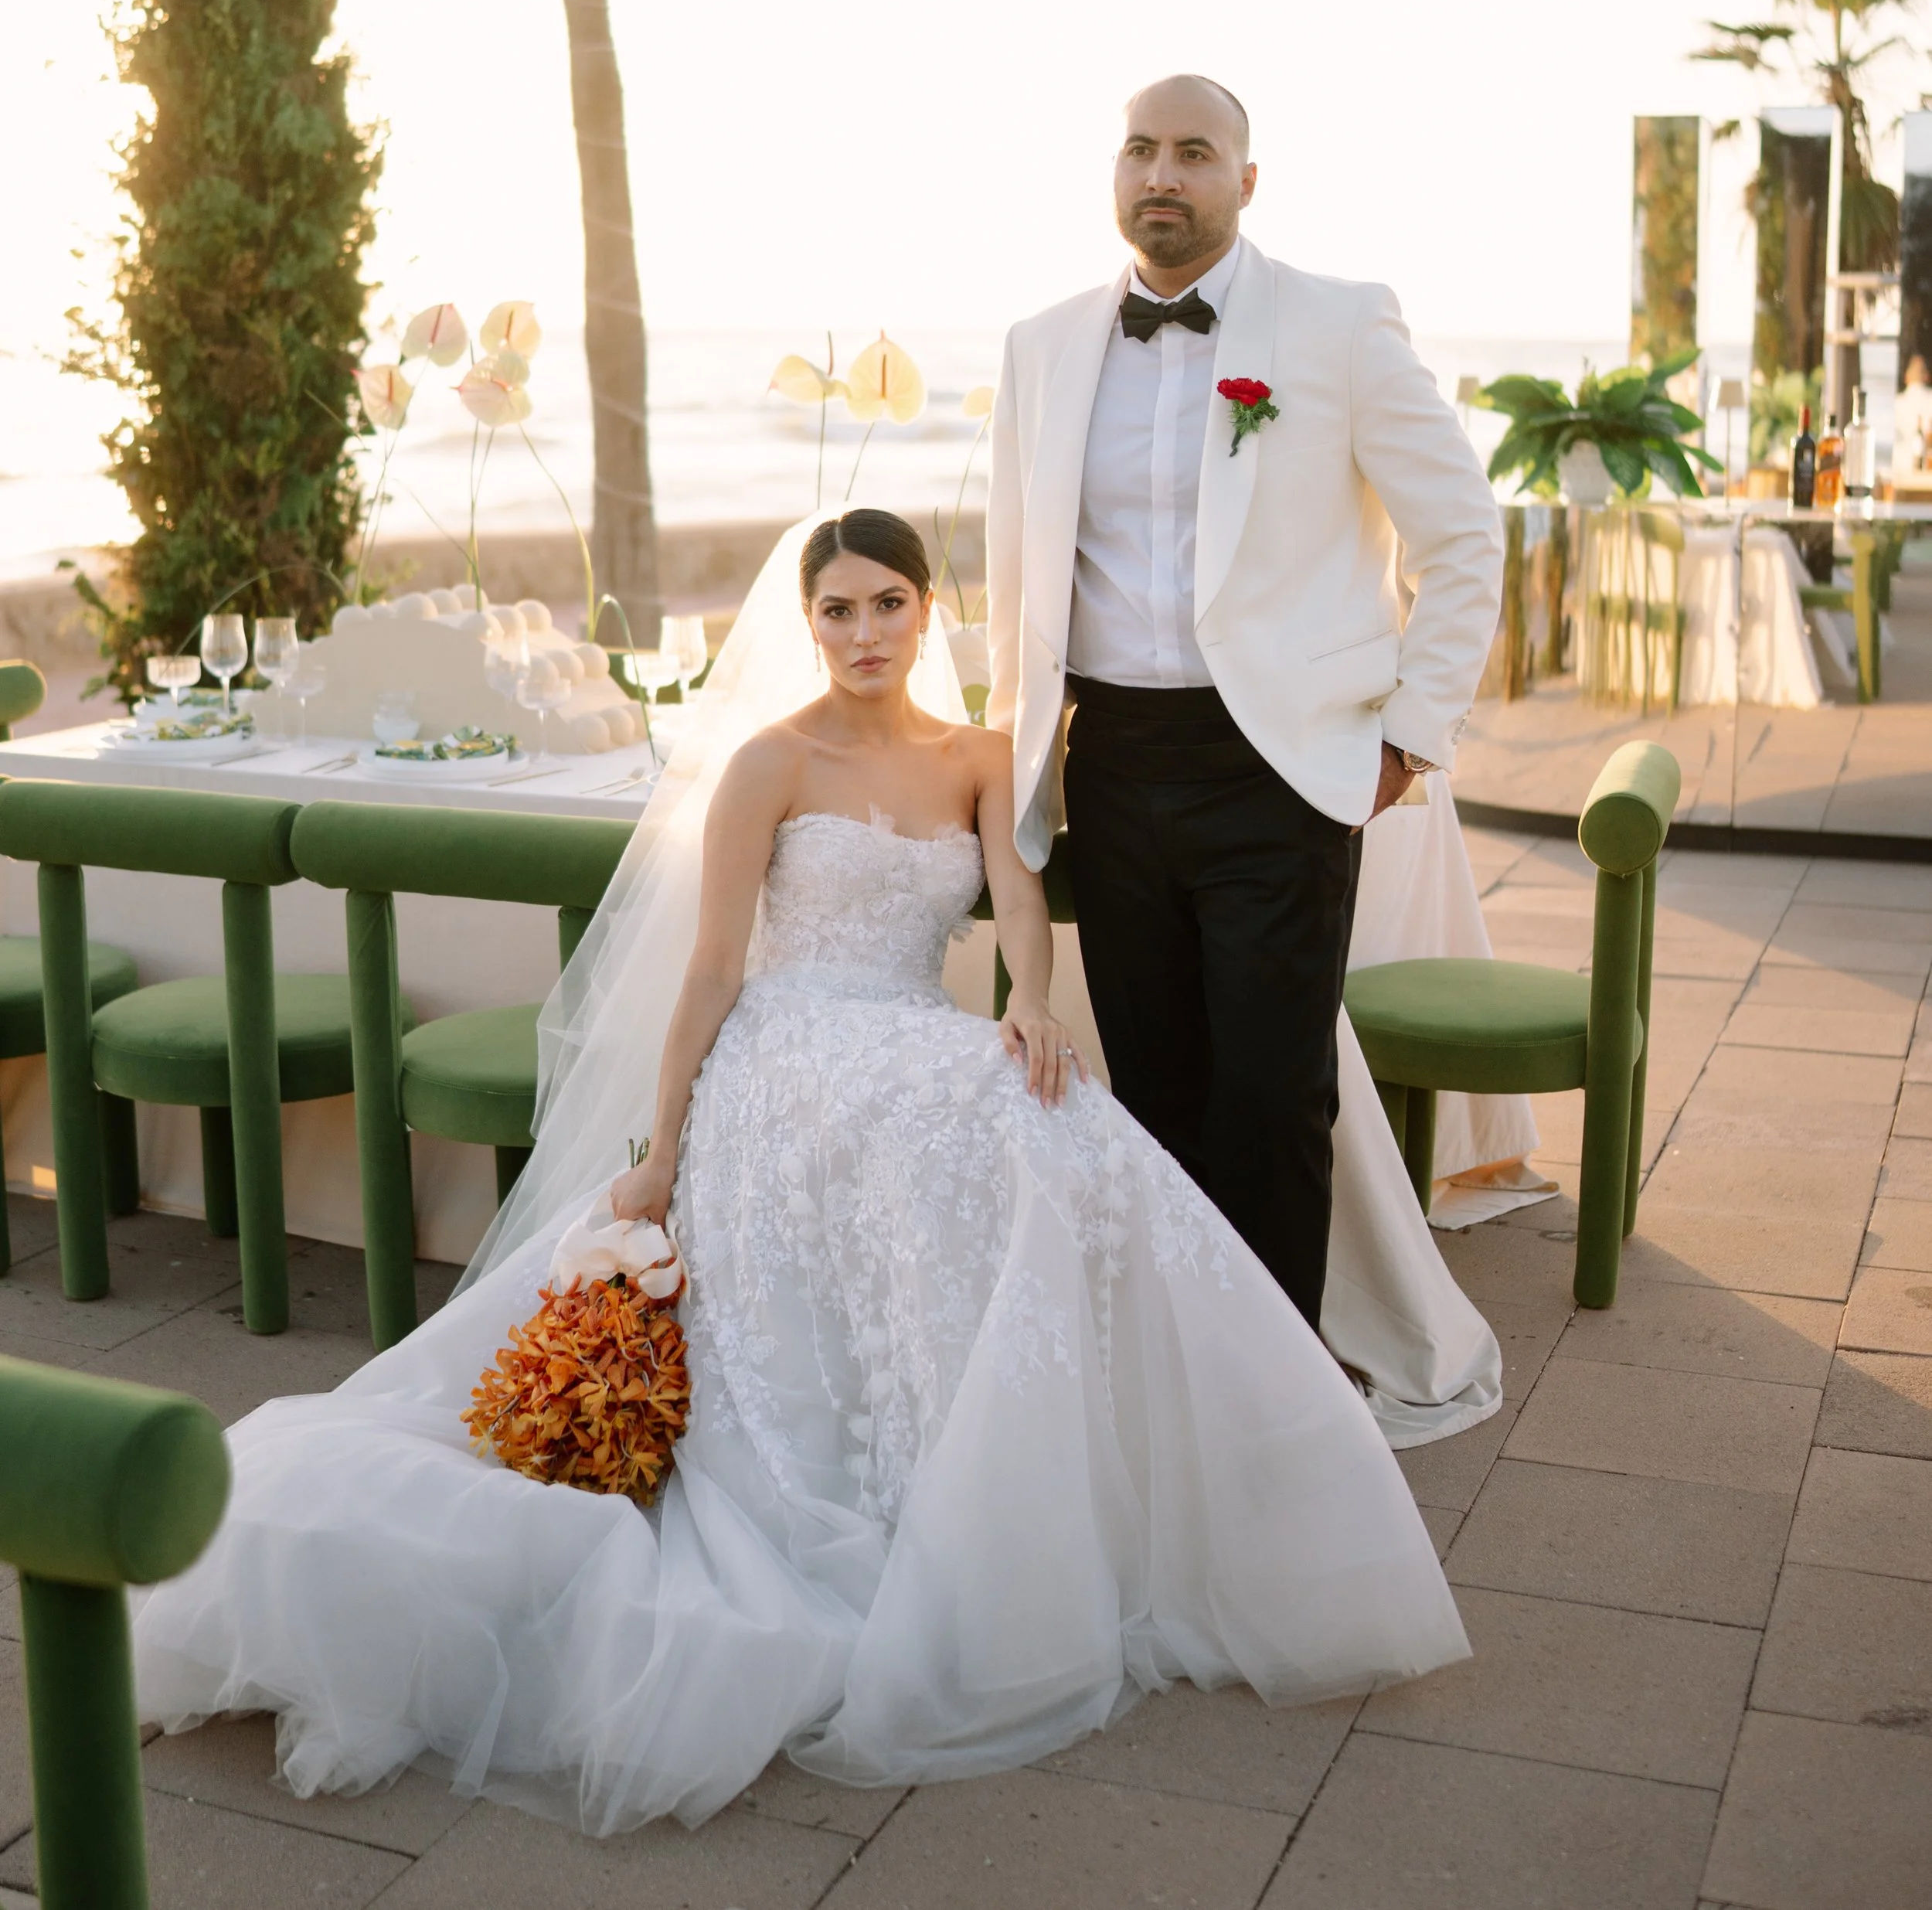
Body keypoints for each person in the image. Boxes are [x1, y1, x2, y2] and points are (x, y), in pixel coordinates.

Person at [133, 509, 1475, 1835]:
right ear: (808, 624)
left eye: (887, 602)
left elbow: (1016, 900)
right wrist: (661, 1150)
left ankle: (1100, 1473)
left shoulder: (979, 756)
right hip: (781, 1049)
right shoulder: (770, 762)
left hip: (906, 1027)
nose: (863, 631)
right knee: (944, 1122)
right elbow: (715, 966)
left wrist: (1035, 1000)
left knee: (1040, 1116)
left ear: (927, 609)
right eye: (836, 609)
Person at [988, 76, 1504, 1333]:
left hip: (1275, 769)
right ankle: (1186, 1378)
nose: (1163, 174)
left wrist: (1406, 740)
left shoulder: (1337, 325)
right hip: (1110, 762)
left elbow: (1467, 539)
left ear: (1245, 181)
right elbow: (1017, 572)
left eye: (1195, 152)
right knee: (1152, 1095)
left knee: (1273, 1101)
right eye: (1140, 149)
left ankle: (1282, 1407)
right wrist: (1005, 757)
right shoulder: (1041, 347)